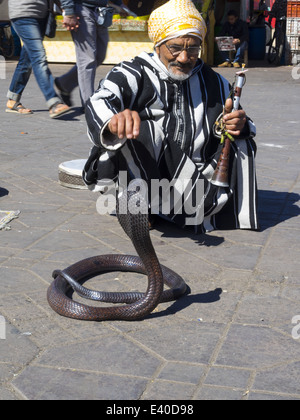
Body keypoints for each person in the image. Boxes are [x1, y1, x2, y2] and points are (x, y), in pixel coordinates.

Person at [83, 0, 258, 233]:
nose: (184, 57)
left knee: (244, 140)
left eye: (193, 48)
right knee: (142, 130)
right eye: (175, 48)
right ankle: (139, 205)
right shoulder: (132, 72)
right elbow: (99, 101)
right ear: (158, 45)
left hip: (195, 175)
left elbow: (239, 122)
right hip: (146, 168)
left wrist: (236, 124)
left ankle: (204, 205)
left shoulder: (214, 81)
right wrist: (114, 122)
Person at [55, 0, 129, 109]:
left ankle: (65, 83)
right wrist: (69, 11)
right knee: (87, 59)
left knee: (99, 55)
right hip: (81, 8)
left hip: (101, 10)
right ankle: (89, 104)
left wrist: (118, 4)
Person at [6, 0, 70, 118]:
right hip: (23, 14)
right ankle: (53, 101)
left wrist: (65, 8)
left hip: (42, 15)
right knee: (38, 57)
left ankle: (13, 99)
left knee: (27, 60)